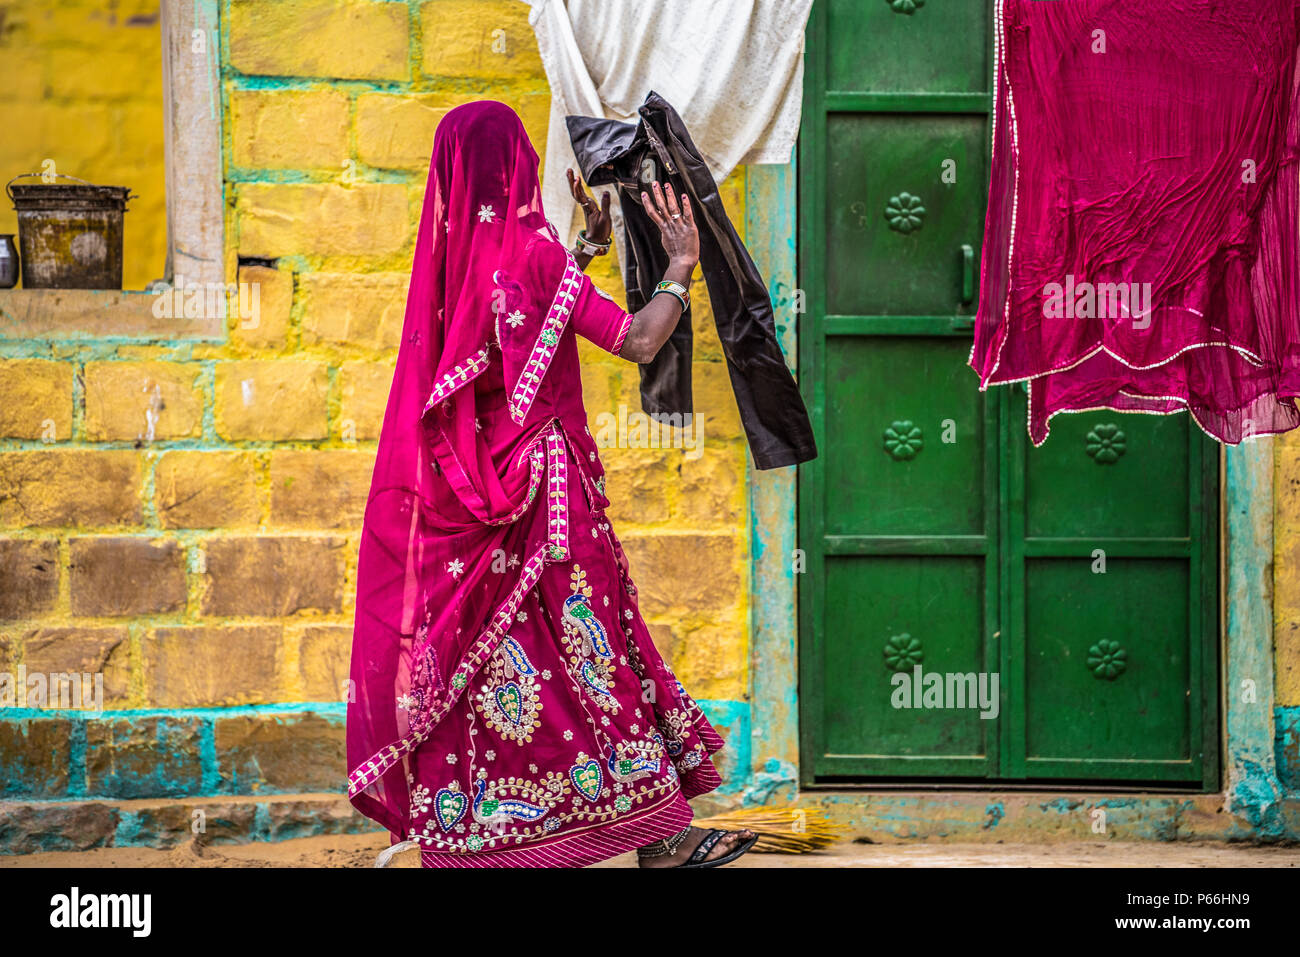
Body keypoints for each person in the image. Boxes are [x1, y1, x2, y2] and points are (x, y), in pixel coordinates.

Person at [346, 100, 757, 868]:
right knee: (593, 655)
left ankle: (477, 838)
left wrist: (581, 253)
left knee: (496, 668)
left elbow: (513, 316)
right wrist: (678, 265)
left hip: (476, 503)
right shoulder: (533, 253)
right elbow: (636, 339)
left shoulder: (460, 261)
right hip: (548, 498)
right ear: (516, 166)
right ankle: (660, 835)